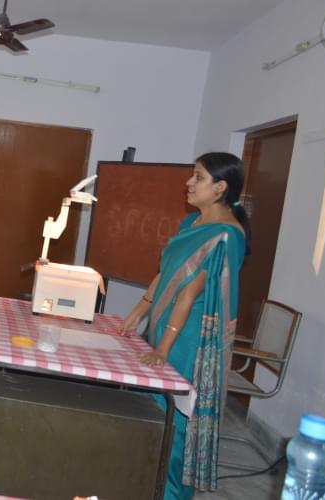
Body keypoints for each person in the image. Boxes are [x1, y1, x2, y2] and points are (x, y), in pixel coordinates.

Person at [118, 152, 250, 499]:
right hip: (164, 323)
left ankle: (171, 492)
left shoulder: (226, 236)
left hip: (188, 339)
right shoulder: (191, 223)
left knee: (175, 418)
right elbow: (165, 273)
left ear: (220, 187)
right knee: (153, 410)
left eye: (198, 177)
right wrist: (138, 312)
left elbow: (189, 292)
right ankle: (145, 481)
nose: (189, 183)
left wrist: (163, 349)